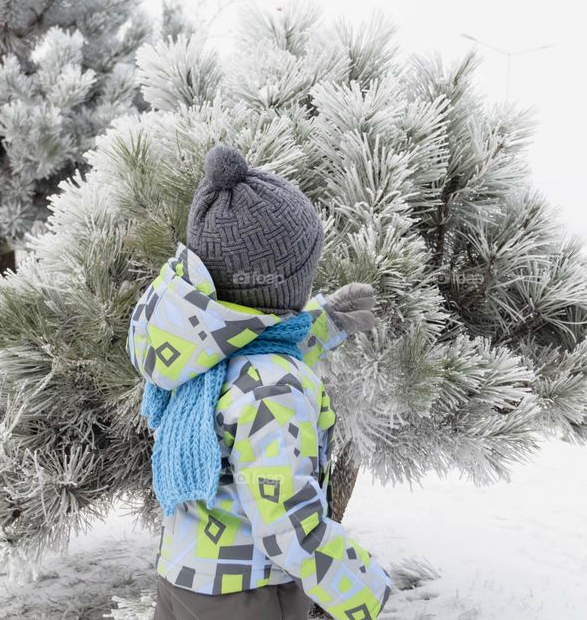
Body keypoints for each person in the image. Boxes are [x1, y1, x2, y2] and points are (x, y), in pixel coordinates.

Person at [127, 145, 391, 620]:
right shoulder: (274, 387)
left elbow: (251, 357)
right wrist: (365, 591)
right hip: (247, 593)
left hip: (184, 576)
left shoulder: (197, 342)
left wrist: (322, 324)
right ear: (283, 286)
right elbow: (293, 527)